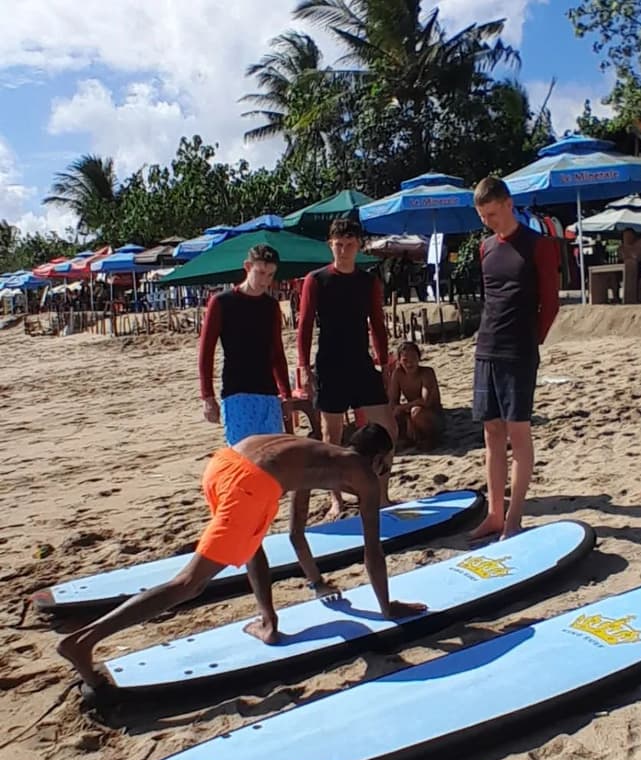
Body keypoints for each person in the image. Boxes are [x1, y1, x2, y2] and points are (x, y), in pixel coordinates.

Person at [56, 425, 427, 689]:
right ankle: (85, 641)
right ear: (378, 459)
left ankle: (268, 621)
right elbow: (372, 551)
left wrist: (315, 582)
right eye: (387, 465)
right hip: (250, 484)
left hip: (223, 463)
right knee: (189, 584)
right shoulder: (362, 473)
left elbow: (296, 534)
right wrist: (387, 608)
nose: (384, 473)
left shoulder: (318, 455)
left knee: (254, 537)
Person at [471, 176, 560, 540]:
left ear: (508, 204)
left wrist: (530, 341)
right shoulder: (485, 248)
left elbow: (551, 303)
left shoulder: (539, 245)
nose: (488, 221)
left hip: (519, 350)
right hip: (487, 347)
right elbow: (491, 298)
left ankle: (514, 517)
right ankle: (494, 512)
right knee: (491, 431)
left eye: (492, 213)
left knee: (518, 433)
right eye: (482, 216)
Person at [297, 218, 397, 519]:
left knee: (387, 428)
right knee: (332, 434)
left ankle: (382, 495)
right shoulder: (316, 280)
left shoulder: (368, 281)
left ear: (358, 247)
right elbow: (304, 325)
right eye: (338, 245)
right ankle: (336, 500)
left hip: (361, 362)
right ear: (331, 245)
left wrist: (383, 360)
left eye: (349, 245)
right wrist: (302, 364)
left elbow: (377, 324)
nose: (343, 251)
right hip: (329, 363)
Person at [199, 244, 292, 445]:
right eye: (260, 273)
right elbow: (206, 351)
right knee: (244, 458)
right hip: (236, 393)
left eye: (270, 275)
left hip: (269, 392)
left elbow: (277, 352)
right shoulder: (222, 302)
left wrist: (286, 394)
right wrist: (207, 396)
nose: (264, 281)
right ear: (248, 267)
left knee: (273, 456)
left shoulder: (271, 306)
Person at [389, 341, 444, 450]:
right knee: (392, 413)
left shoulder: (427, 373)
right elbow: (393, 401)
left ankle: (431, 438)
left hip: (431, 415)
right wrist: (402, 413)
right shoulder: (398, 374)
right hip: (411, 412)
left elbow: (425, 401)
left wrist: (403, 408)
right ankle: (408, 437)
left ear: (419, 358)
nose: (410, 363)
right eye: (405, 360)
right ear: (399, 361)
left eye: (413, 358)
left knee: (417, 412)